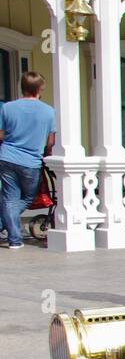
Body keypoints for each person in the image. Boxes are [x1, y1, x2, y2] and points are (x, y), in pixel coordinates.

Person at [0, 71, 56, 250]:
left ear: (21, 87)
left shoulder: (7, 108)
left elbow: (1, 134)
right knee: (28, 197)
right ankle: (11, 232)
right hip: (31, 161)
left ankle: (14, 238)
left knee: (10, 198)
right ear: (40, 89)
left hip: (7, 156)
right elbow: (50, 142)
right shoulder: (48, 111)